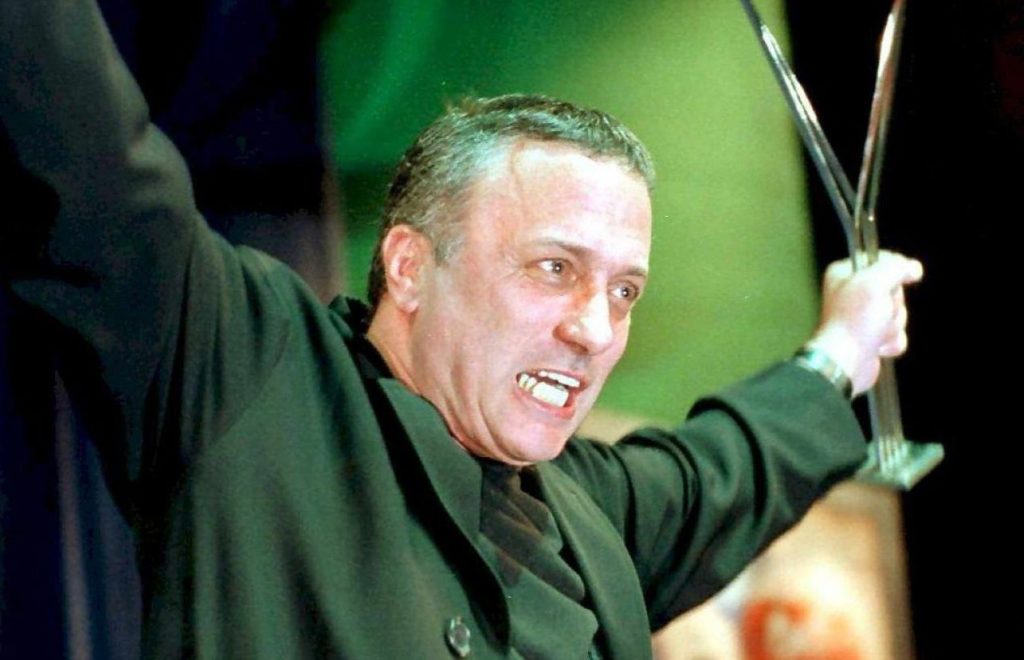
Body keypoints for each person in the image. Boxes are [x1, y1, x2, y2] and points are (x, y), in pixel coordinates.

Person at [1, 1, 922, 657]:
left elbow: (725, 469)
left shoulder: (588, 514)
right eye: (554, 269)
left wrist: (841, 347)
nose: (594, 328)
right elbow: (82, 157)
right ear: (409, 266)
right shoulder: (248, 373)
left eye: (626, 291)